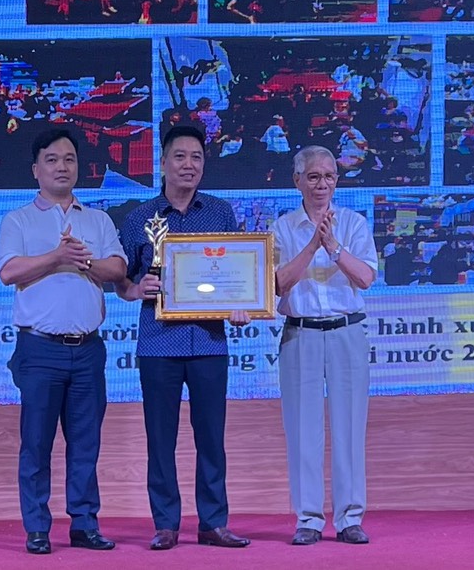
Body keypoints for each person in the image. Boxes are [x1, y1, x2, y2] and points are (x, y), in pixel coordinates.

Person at [118, 124, 252, 551]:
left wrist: (240, 304)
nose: (188, 165)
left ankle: (213, 523)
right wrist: (135, 289)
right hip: (158, 343)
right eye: (180, 156)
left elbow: (235, 273)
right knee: (161, 439)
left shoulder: (220, 213)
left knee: (211, 438)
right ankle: (166, 525)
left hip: (209, 342)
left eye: (196, 157)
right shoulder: (140, 218)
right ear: (163, 163)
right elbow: (120, 279)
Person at [0, 129, 126, 556]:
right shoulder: (18, 220)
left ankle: (84, 524)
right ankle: (37, 528)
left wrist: (84, 259)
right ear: (36, 169)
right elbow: (9, 272)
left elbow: (117, 269)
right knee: (36, 443)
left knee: (85, 444)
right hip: (39, 350)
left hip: (88, 349)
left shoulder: (98, 220)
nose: (62, 167)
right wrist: (57, 256)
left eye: (69, 159)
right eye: (52, 160)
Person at [272, 145, 377, 546]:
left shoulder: (353, 223)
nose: (321, 184)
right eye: (313, 177)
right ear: (297, 180)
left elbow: (365, 278)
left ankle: (350, 518)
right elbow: (277, 284)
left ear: (337, 180)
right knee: (302, 429)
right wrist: (312, 245)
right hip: (300, 333)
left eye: (329, 176)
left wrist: (332, 245)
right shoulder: (282, 228)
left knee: (349, 426)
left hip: (347, 332)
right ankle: (309, 519)